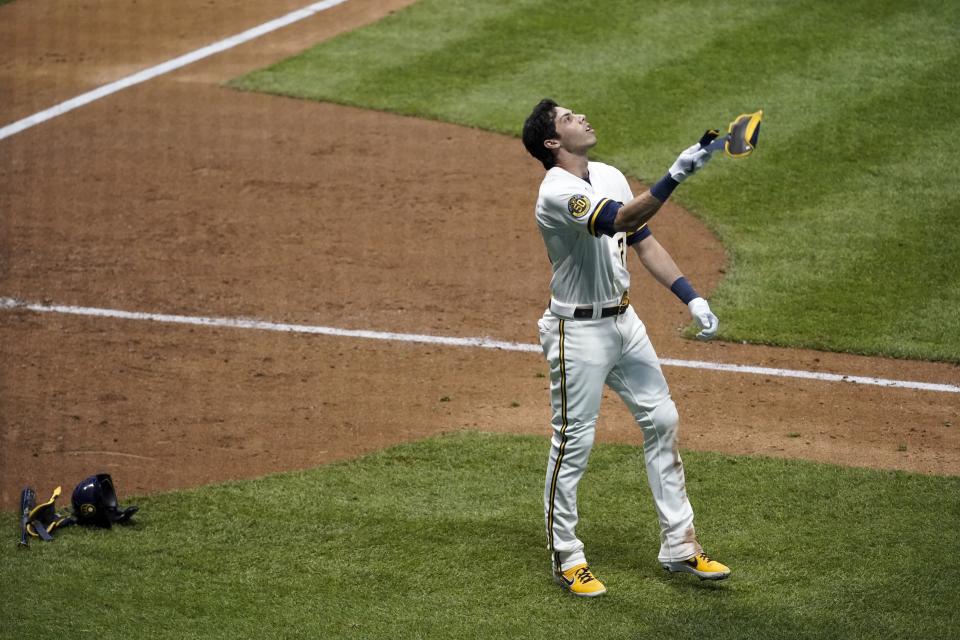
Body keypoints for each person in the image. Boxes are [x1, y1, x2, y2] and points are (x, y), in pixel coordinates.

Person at [522, 98, 731, 597]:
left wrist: (692, 296)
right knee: (573, 443)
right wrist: (677, 173)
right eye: (569, 119)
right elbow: (619, 218)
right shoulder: (557, 192)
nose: (582, 118)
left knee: (663, 421)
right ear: (552, 143)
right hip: (578, 334)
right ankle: (567, 558)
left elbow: (643, 239)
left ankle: (680, 546)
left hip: (625, 323)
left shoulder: (610, 174)